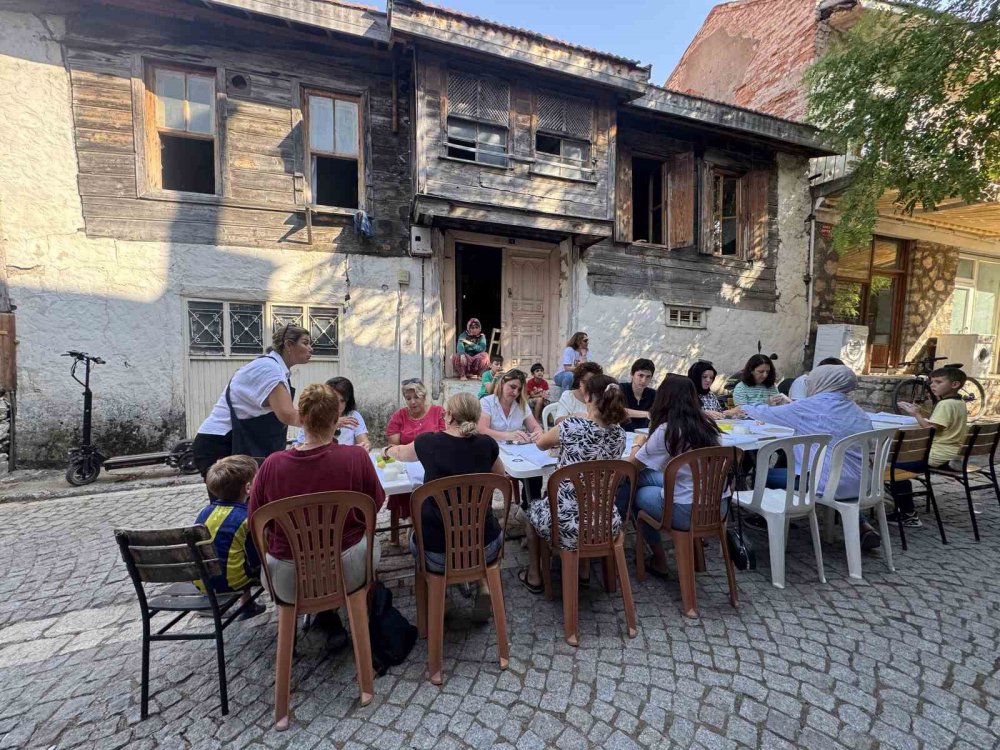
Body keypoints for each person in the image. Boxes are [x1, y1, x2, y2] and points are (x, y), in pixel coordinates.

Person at [250, 383, 386, 640]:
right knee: (369, 542)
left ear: (300, 418)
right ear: (337, 420)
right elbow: (375, 505)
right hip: (348, 567)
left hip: (288, 575)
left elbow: (256, 522)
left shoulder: (271, 465)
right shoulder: (356, 458)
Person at [382, 393, 506, 619]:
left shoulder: (428, 443)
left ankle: (442, 595)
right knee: (469, 525)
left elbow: (400, 452)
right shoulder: (488, 445)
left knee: (415, 532)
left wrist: (386, 451)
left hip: (438, 552)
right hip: (485, 545)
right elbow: (501, 476)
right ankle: (482, 584)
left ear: (448, 415)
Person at [737, 364, 882, 551]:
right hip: (864, 483)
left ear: (822, 382)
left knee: (765, 474)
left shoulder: (809, 406)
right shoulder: (857, 411)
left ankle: (776, 517)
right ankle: (860, 524)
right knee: (830, 473)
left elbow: (765, 413)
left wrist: (741, 408)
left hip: (825, 484)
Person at [519, 375, 628, 593]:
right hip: (605, 520)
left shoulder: (571, 426)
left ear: (587, 395)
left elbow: (541, 444)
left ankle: (534, 575)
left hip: (567, 521)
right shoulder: (620, 434)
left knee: (531, 511)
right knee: (589, 501)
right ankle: (584, 571)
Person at [617, 375, 728, 578]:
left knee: (634, 487)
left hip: (686, 509)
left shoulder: (667, 430)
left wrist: (637, 443)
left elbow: (632, 467)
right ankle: (692, 555)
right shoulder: (709, 425)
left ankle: (656, 557)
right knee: (645, 479)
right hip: (718, 506)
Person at [192, 324, 312, 487]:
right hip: (222, 443)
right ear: (289, 345)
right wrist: (326, 421)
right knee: (231, 507)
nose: (310, 349)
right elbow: (288, 415)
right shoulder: (269, 369)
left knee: (249, 503)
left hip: (234, 442)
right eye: (305, 343)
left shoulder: (275, 368)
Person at [893, 366, 971, 527]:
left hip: (937, 454)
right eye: (932, 382)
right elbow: (941, 423)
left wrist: (916, 414)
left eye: (938, 382)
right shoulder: (959, 402)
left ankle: (908, 515)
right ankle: (903, 508)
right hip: (951, 453)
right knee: (900, 463)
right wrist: (919, 411)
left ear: (955, 384)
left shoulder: (945, 404)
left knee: (896, 469)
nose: (933, 385)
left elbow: (930, 430)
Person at [195, 455, 265, 619]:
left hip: (203, 581)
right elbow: (255, 557)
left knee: (231, 554)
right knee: (249, 558)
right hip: (233, 582)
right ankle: (249, 604)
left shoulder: (204, 513)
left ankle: (246, 605)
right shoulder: (247, 517)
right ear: (248, 488)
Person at [386, 379, 447, 538]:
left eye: (416, 397)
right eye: (408, 398)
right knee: (404, 486)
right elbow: (393, 445)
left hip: (433, 463)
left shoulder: (439, 412)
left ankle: (430, 520)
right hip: (406, 464)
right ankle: (414, 522)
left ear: (424, 396)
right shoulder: (399, 416)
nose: (412, 402)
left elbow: (444, 440)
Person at [294, 376, 370, 450]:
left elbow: (365, 443)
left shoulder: (353, 416)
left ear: (348, 402)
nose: (338, 405)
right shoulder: (315, 414)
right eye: (334, 400)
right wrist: (333, 424)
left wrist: (363, 448)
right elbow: (301, 447)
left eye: (342, 401)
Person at [478, 369, 543, 443]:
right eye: (512, 387)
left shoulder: (522, 404)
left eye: (519, 390)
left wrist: (537, 433)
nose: (515, 393)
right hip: (491, 449)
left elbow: (535, 427)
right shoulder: (487, 402)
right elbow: (482, 430)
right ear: (502, 384)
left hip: (515, 450)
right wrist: (508, 436)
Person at [621, 358, 656, 431]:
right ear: (632, 374)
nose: (644, 380)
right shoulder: (621, 389)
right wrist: (647, 414)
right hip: (622, 434)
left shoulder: (653, 394)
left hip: (643, 435)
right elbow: (618, 410)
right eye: (640, 375)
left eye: (648, 377)